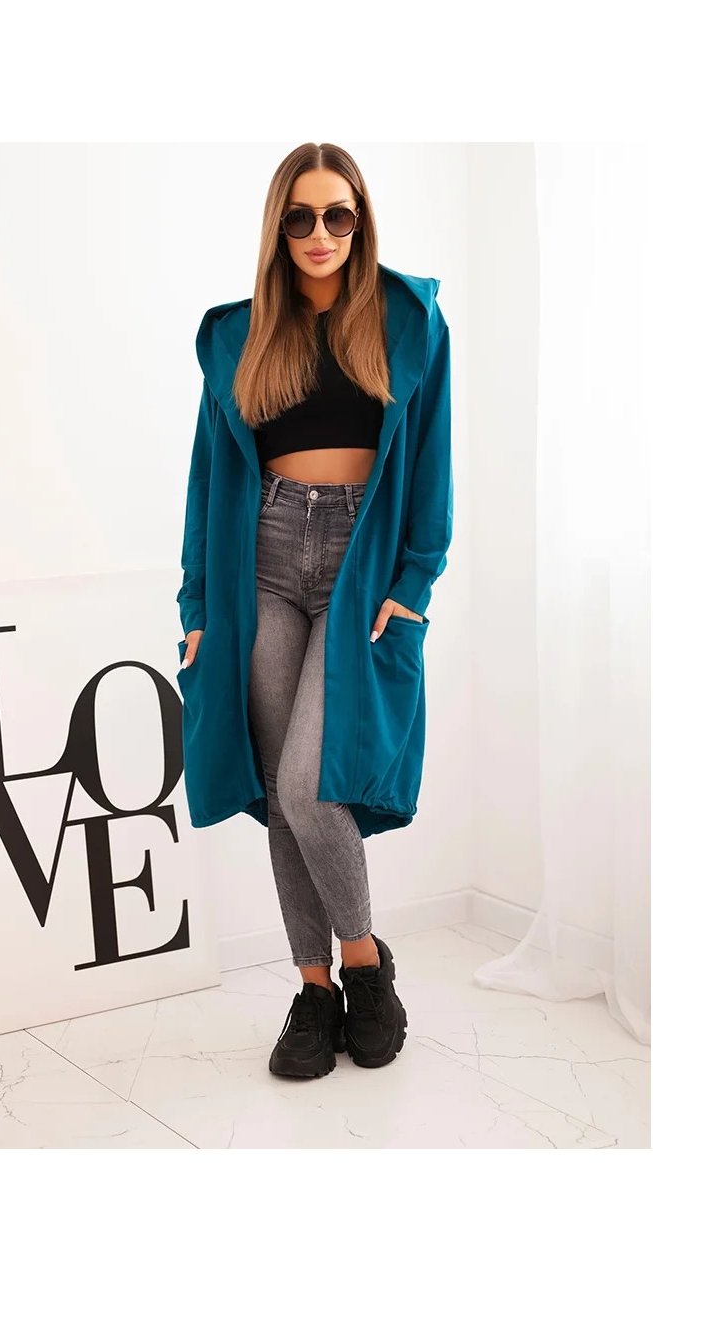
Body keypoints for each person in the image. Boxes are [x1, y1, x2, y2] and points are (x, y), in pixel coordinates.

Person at [176, 142, 453, 1080]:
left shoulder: (409, 319)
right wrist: (197, 602)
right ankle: (313, 989)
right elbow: (206, 480)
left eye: (338, 214)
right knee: (278, 790)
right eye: (301, 217)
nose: (320, 233)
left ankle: (365, 965)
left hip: (359, 565)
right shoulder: (242, 332)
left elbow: (433, 462)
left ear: (360, 220)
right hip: (259, 559)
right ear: (278, 227)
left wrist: (414, 584)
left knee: (309, 784)